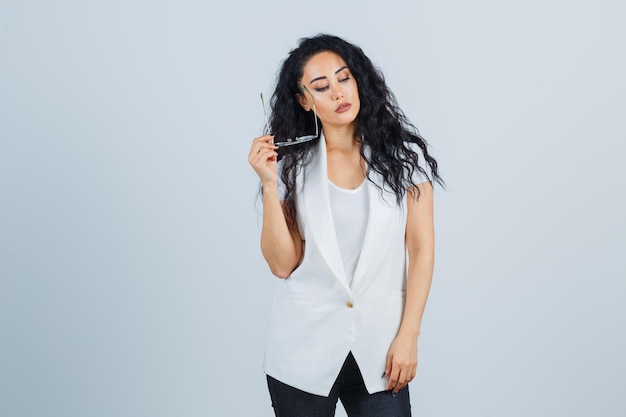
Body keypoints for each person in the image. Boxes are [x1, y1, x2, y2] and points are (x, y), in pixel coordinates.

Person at [248, 34, 443, 417]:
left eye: (344, 78)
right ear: (304, 99)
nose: (338, 92)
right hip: (303, 349)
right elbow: (282, 264)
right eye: (321, 86)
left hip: (382, 347)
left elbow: (422, 250)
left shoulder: (405, 158)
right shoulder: (291, 166)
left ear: (359, 81)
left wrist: (409, 335)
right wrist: (269, 186)